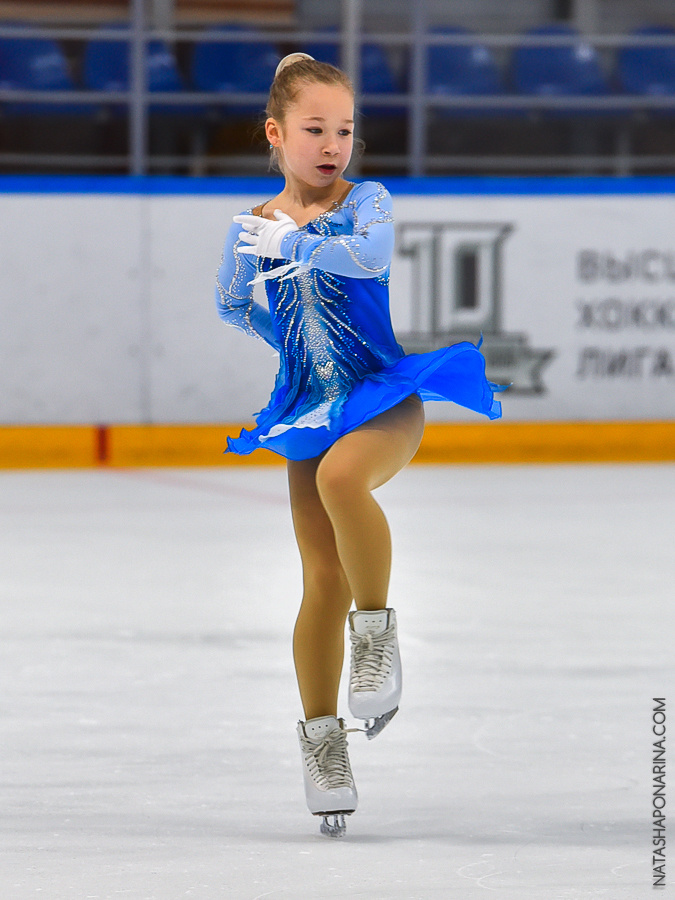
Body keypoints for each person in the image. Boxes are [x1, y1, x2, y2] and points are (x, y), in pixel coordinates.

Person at [215, 52, 502, 837]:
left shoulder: (365, 201)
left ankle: (376, 635)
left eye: (343, 129)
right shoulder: (255, 221)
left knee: (345, 480)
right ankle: (321, 745)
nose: (331, 142)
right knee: (318, 580)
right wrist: (271, 301)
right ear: (277, 134)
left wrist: (298, 247)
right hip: (310, 403)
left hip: (381, 393)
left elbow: (369, 256)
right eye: (313, 129)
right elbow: (232, 305)